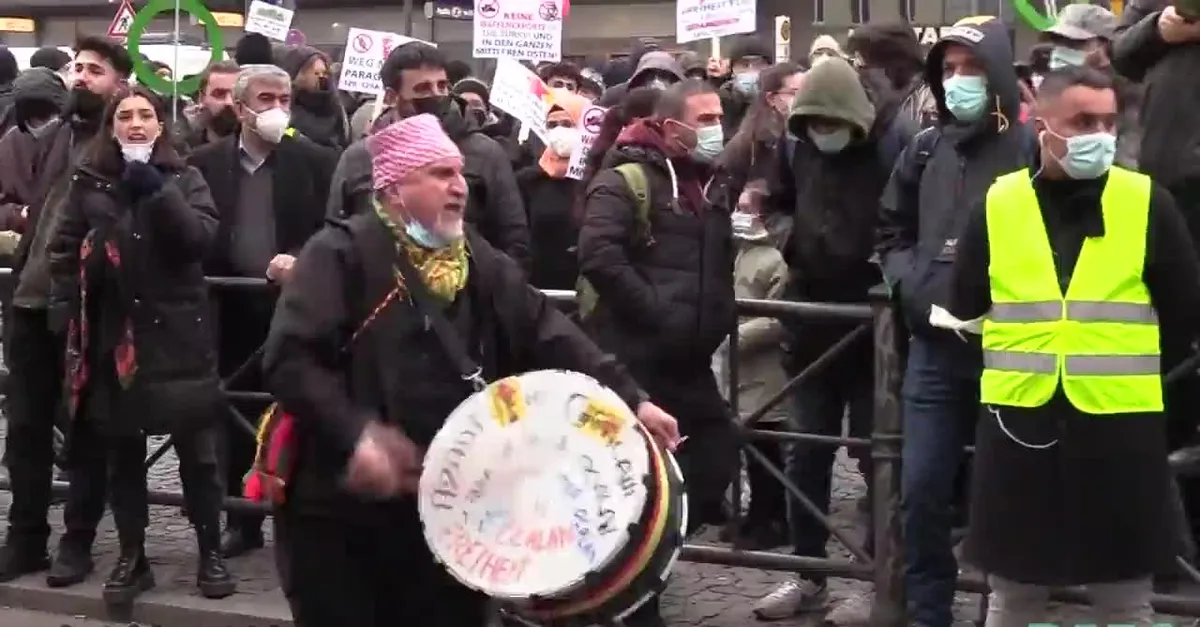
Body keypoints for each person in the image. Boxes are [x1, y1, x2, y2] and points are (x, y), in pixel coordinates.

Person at [263, 112, 680, 627]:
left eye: (459, 173)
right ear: (393, 187)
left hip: (447, 510)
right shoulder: (339, 253)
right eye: (439, 174)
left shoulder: (474, 256)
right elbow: (290, 361)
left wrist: (631, 397)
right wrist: (358, 435)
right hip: (338, 512)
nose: (458, 186)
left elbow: (548, 330)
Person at [947, 66, 1198, 627]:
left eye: (1109, 122)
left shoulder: (1146, 201)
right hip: (1020, 424)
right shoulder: (999, 203)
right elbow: (965, 305)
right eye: (1084, 121)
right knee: (1014, 597)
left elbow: (1185, 313)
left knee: (1126, 601)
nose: (1100, 135)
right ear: (1042, 124)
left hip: (1119, 425)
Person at [47, 84, 235, 604]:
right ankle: (134, 555)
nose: (135, 124)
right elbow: (62, 251)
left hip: (179, 334)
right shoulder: (88, 181)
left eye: (145, 115)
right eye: (124, 115)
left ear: (160, 125)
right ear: (111, 127)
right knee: (122, 454)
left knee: (198, 455)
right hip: (116, 335)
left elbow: (199, 240)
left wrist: (157, 192)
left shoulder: (186, 176)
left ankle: (208, 549)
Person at [875, 17, 1034, 627]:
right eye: (949, 69)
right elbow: (891, 226)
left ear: (997, 71)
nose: (959, 80)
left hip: (1010, 350)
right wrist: (910, 284)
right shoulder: (925, 146)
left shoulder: (1026, 147)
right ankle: (928, 612)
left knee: (1007, 497)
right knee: (920, 491)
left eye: (971, 67)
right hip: (934, 351)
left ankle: (1003, 612)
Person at [752, 56, 915, 623]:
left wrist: (887, 264)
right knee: (805, 456)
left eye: (830, 125)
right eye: (811, 124)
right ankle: (809, 575)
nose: (822, 134)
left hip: (875, 326)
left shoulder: (897, 141)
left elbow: (913, 219)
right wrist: (791, 241)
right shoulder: (797, 144)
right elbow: (772, 201)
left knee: (878, 459)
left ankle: (875, 579)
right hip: (811, 318)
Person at [577, 80, 738, 626]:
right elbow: (598, 254)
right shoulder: (624, 181)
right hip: (634, 360)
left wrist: (716, 317)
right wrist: (659, 314)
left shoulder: (708, 182)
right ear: (673, 128)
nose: (718, 126)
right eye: (707, 117)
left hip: (689, 360)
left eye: (721, 115)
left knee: (715, 457)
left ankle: (636, 574)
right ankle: (626, 600)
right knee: (632, 483)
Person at [188, 64, 337, 559]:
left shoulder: (314, 160)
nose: (277, 108)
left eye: (284, 98)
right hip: (230, 306)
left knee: (297, 412)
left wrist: (303, 258)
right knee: (233, 416)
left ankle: (299, 521)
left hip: (294, 308)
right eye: (266, 98)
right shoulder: (206, 162)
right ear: (241, 105)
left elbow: (335, 228)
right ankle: (242, 520)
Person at [1, 35, 131, 586]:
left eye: (94, 71)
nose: (80, 78)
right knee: (25, 428)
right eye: (77, 68)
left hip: (85, 308)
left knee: (85, 432)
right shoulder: (51, 136)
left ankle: (78, 542)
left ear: (118, 84)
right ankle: (26, 538)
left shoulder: (129, 140)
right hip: (31, 301)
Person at [327, 43, 531, 272]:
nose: (436, 95)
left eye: (442, 86)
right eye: (423, 88)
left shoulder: (485, 153)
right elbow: (335, 233)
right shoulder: (359, 158)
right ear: (393, 96)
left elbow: (513, 239)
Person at [516, 89, 588, 291]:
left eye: (567, 124)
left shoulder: (598, 177)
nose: (559, 131)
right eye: (552, 125)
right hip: (539, 286)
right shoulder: (529, 180)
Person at [847, 23, 937, 129]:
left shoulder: (927, 111)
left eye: (863, 62)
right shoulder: (890, 109)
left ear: (894, 67)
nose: (857, 71)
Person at [279, 46, 349, 149]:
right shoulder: (284, 107)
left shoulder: (334, 106)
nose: (321, 77)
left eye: (324, 73)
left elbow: (343, 142)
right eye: (316, 73)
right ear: (298, 74)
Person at [184, 60, 240, 148]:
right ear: (202, 97)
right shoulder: (184, 151)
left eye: (236, 94)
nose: (228, 102)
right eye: (219, 94)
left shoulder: (262, 151)